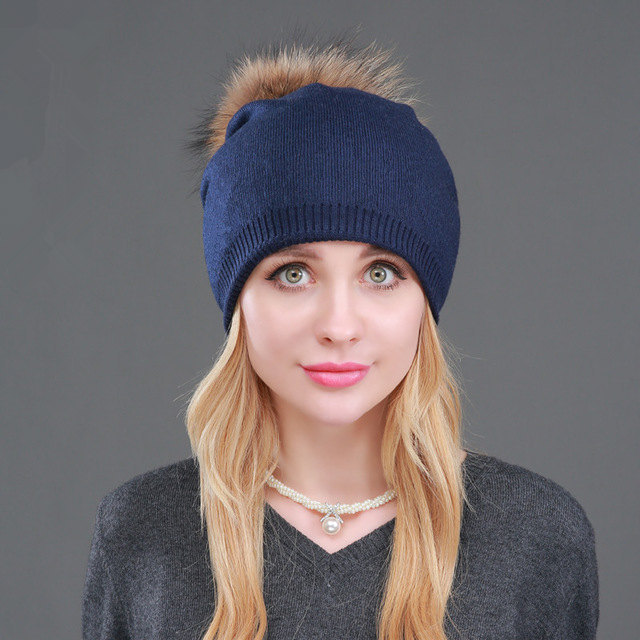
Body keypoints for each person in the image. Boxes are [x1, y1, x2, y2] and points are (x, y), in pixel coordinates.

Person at [82, 35, 599, 640]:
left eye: (380, 273)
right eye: (292, 274)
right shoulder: (141, 534)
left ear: (425, 303)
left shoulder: (537, 536)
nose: (339, 326)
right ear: (238, 300)